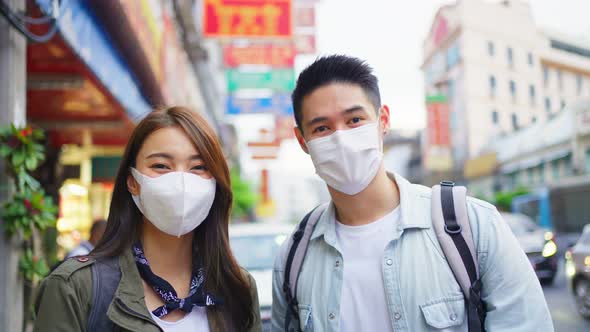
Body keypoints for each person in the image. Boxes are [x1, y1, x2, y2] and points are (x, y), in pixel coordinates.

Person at [271, 55, 553, 331]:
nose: (341, 138)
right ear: (302, 141)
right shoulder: (295, 256)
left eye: (355, 120)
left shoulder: (474, 226)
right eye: (322, 128)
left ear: (383, 121)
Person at [35, 107, 262, 332]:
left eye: (199, 167)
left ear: (215, 184)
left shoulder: (237, 289)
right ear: (132, 181)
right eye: (161, 166)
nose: (181, 181)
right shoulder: (75, 288)